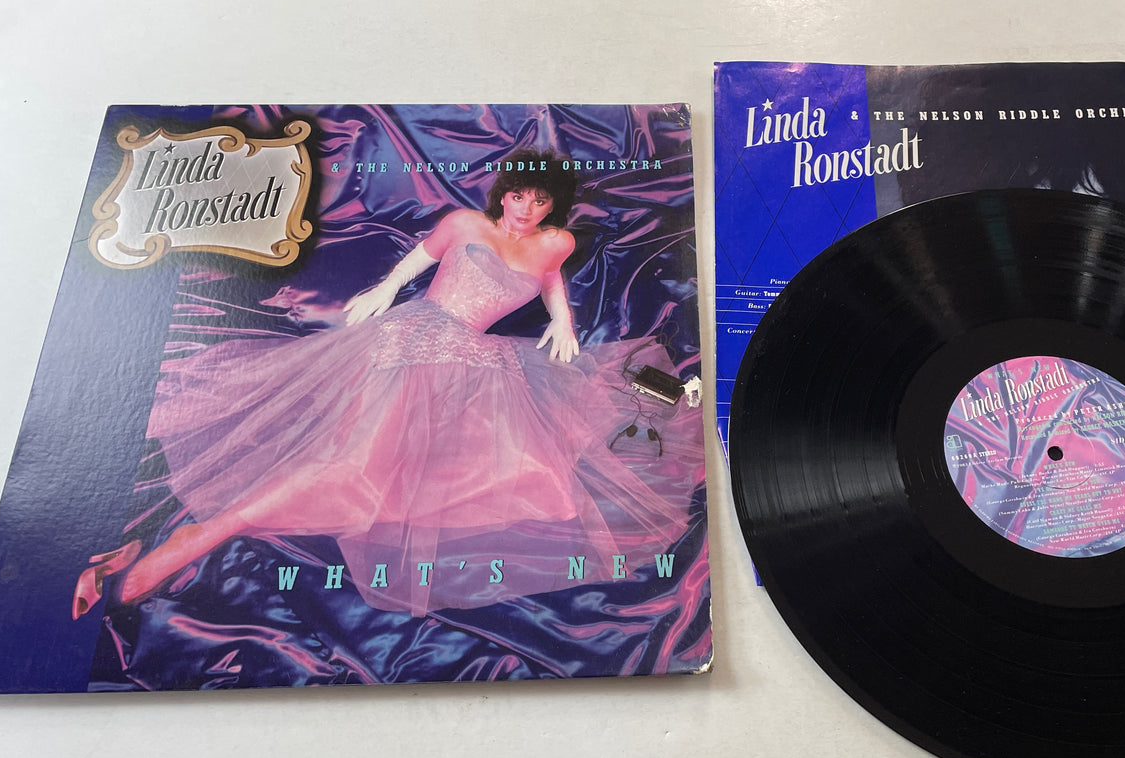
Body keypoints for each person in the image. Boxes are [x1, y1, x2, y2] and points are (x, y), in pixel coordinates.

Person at [74, 150, 700, 619]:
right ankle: (205, 532)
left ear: (551, 207)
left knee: (534, 448)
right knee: (356, 463)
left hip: (477, 357)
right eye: (518, 195)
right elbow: (419, 259)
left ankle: (207, 530)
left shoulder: (555, 242)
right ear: (503, 193)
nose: (525, 209)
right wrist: (384, 289)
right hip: (415, 334)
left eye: (539, 201)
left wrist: (562, 318)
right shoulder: (464, 223)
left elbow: (551, 276)